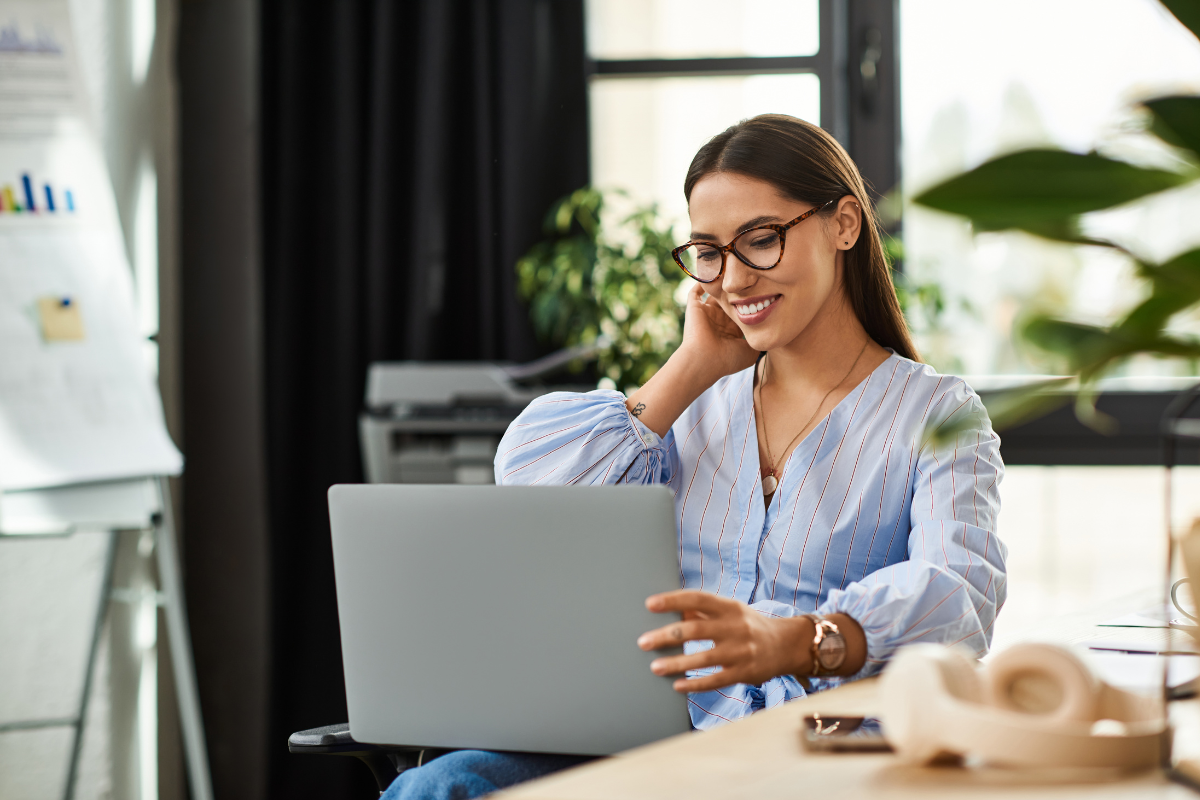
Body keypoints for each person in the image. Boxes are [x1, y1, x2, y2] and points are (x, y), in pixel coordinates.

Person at [381, 113, 1007, 799]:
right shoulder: (692, 407)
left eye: (760, 241)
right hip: (655, 745)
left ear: (844, 225)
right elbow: (529, 484)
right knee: (438, 788)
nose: (734, 279)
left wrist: (795, 640)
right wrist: (690, 366)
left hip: (819, 759)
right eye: (709, 252)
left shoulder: (937, 413)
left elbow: (961, 594)